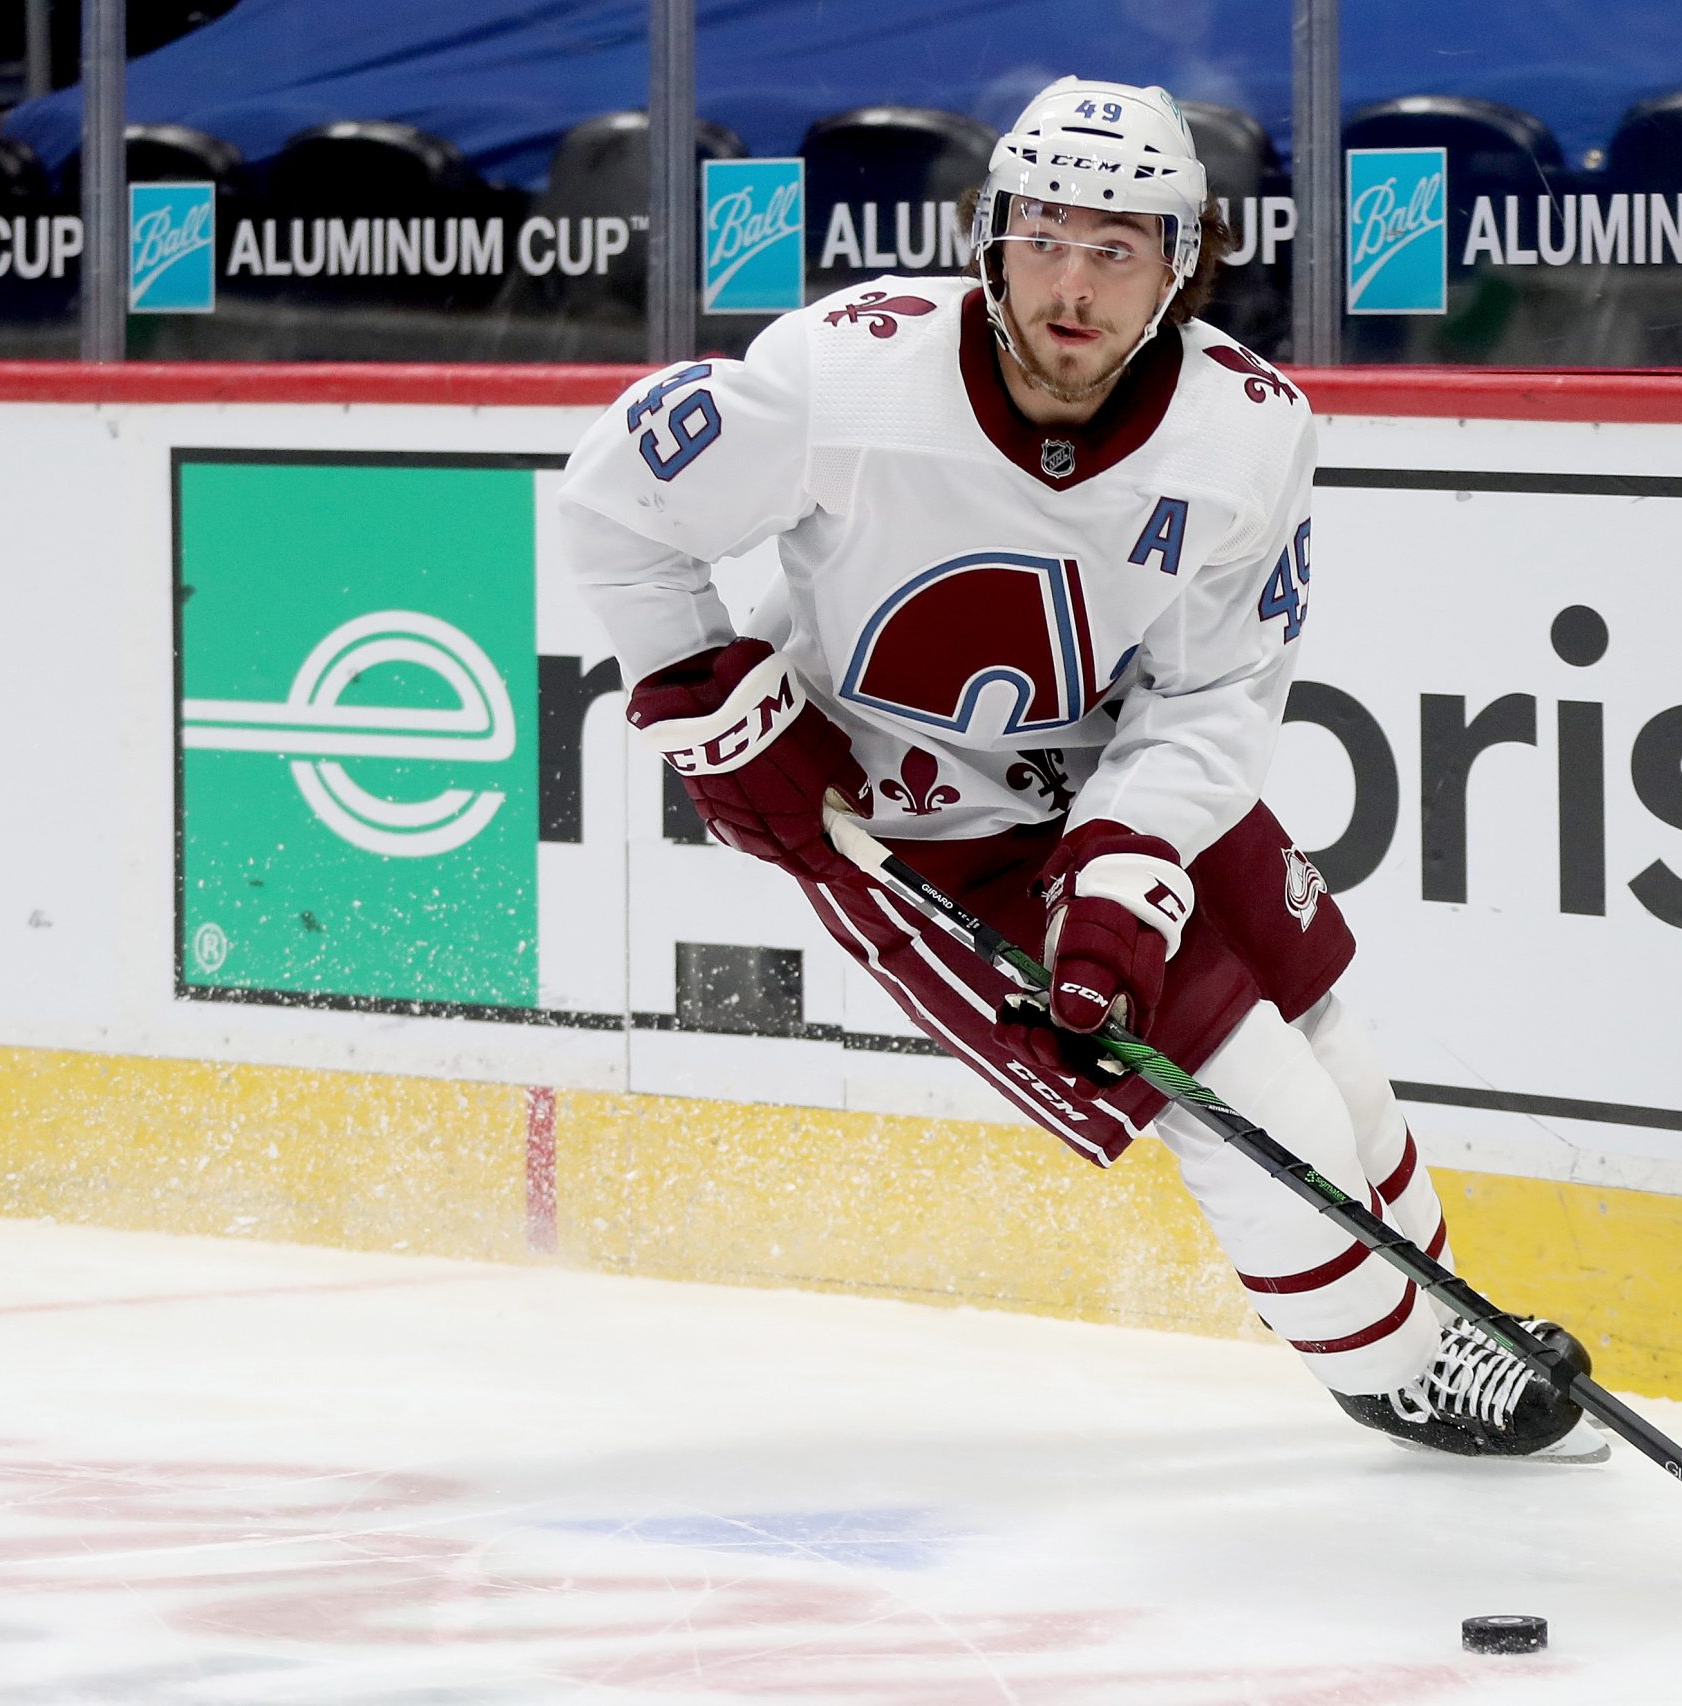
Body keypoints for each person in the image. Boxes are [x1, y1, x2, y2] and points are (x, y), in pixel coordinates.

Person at [558, 76, 1600, 1461]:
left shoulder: (1248, 429)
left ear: (1183, 266)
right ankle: (1398, 1367)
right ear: (987, 241)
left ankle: (1441, 1310)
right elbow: (614, 504)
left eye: (1118, 248)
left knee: (1328, 1040)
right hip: (919, 825)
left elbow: (1217, 686)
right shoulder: (842, 374)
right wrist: (713, 701)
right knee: (1246, 1091)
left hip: (1126, 776)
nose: (1072, 283)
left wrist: (1125, 856)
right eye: (1044, 237)